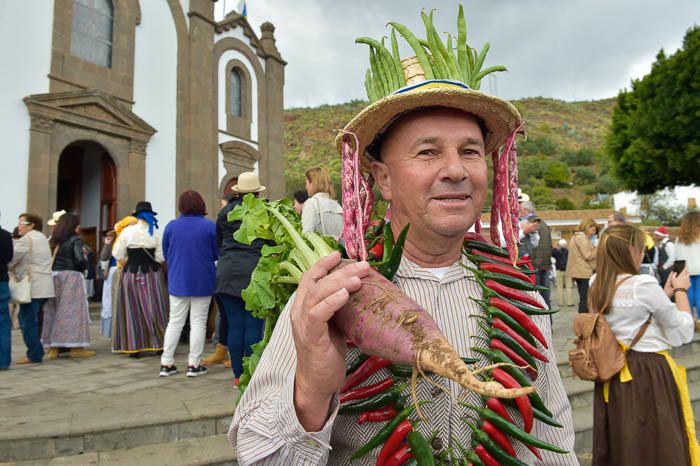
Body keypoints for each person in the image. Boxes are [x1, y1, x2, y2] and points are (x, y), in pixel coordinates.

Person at [229, 18, 576, 463]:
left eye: (470, 151)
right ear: (384, 179)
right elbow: (258, 457)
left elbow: (555, 437)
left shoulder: (522, 292)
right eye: (428, 151)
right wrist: (313, 388)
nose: (455, 169)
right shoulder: (330, 295)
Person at [589, 224, 699, 466]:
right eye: (640, 248)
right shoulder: (643, 284)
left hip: (613, 371)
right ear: (631, 250)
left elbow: (632, 314)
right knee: (658, 441)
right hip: (648, 372)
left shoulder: (595, 282)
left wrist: (664, 292)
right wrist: (680, 290)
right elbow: (682, 329)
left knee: (626, 440)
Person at [215, 172, 268, 384]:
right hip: (254, 273)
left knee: (235, 325)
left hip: (227, 273)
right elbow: (270, 243)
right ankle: (253, 375)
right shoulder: (264, 210)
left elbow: (219, 242)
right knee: (253, 326)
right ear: (257, 191)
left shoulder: (224, 212)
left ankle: (238, 376)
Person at [159, 191, 218, 377]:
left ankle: (166, 363)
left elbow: (166, 253)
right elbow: (216, 253)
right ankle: (194, 364)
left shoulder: (171, 226)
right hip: (203, 280)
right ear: (201, 205)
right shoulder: (210, 227)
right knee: (198, 322)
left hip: (178, 280)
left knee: (174, 322)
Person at [111, 202, 168, 357]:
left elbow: (117, 253)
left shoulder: (128, 231)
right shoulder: (156, 231)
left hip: (131, 274)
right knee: (155, 307)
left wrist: (126, 259)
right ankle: (159, 345)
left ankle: (134, 347)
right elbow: (161, 256)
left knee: (132, 310)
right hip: (152, 275)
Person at [42, 213, 94, 359]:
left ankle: (53, 348)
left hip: (54, 276)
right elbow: (79, 260)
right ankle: (75, 347)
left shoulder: (54, 240)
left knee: (53, 311)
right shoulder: (75, 239)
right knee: (72, 312)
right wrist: (85, 262)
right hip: (71, 276)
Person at [7, 213, 54, 364]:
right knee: (33, 319)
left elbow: (11, 258)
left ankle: (34, 353)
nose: (19, 226)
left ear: (31, 225)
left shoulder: (27, 240)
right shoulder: (41, 238)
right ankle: (36, 350)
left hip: (32, 285)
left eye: (22, 223)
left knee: (26, 321)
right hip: (45, 285)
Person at [519, 200, 552, 308]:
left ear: (525, 210)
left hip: (533, 265)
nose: (518, 212)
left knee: (535, 298)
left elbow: (532, 245)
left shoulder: (528, 224)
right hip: (546, 265)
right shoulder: (544, 223)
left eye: (520, 210)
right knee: (546, 298)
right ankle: (549, 323)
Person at [567, 218, 598, 313]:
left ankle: (582, 319)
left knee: (583, 298)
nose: (593, 233)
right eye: (593, 230)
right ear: (587, 227)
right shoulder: (582, 238)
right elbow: (588, 255)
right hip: (584, 272)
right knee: (585, 300)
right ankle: (584, 322)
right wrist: (598, 248)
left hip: (577, 272)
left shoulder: (575, 237)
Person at [302, 167, 343, 238]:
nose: (306, 187)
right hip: (340, 248)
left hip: (321, 248)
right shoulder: (337, 206)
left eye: (306, 183)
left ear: (313, 183)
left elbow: (307, 234)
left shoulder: (311, 203)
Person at [675, 211, 700, 321]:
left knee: (687, 297)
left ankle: (688, 321)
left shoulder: (678, 239)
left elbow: (675, 257)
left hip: (685, 271)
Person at [0, 212, 13, 370]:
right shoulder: (5, 235)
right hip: (2, 280)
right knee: (3, 323)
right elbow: (9, 257)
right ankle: (3, 361)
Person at [99, 230, 116, 337]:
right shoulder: (109, 244)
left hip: (119, 270)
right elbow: (103, 257)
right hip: (111, 273)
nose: (108, 237)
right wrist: (106, 244)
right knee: (109, 300)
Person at [552, 238, 574, 306]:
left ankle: (560, 303)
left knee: (559, 287)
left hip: (559, 270)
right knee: (569, 287)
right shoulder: (569, 252)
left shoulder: (556, 252)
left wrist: (555, 247)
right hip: (568, 270)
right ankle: (570, 302)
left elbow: (551, 253)